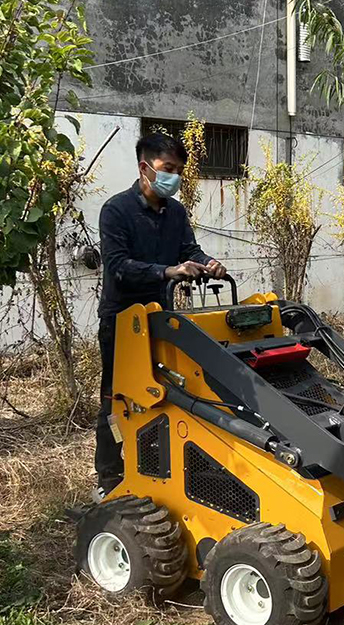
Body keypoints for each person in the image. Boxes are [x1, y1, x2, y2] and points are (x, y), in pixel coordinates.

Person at [95, 132, 226, 497]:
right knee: (118, 396)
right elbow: (119, 266)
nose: (174, 177)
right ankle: (109, 477)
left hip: (162, 320)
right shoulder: (116, 211)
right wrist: (167, 271)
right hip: (123, 321)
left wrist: (207, 263)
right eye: (167, 168)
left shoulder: (176, 212)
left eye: (178, 170)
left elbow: (189, 249)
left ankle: (154, 468)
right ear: (145, 168)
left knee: (164, 393)